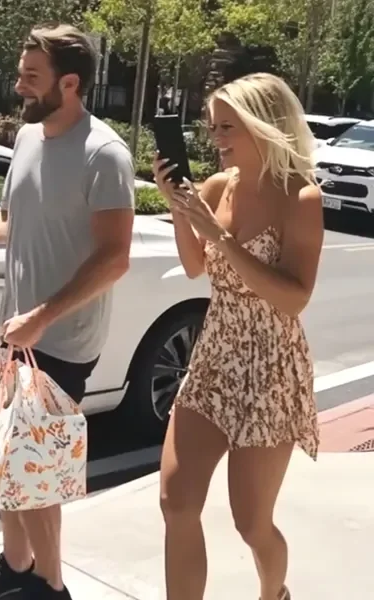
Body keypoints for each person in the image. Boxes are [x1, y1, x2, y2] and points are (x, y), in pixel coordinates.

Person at [0, 23, 135, 600]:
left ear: (70, 83)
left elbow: (114, 258)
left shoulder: (104, 154)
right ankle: (16, 567)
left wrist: (44, 318)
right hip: (16, 327)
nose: (19, 86)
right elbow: (13, 214)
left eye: (32, 76)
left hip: (63, 336)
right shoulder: (28, 137)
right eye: (21, 74)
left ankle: (50, 587)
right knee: (3, 456)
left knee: (35, 468)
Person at [152, 72, 322, 600]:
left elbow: (294, 298)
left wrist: (219, 237)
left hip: (271, 369)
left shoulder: (301, 198)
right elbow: (193, 267)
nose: (216, 138)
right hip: (214, 358)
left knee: (251, 522)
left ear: (263, 125)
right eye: (212, 127)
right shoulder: (215, 188)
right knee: (176, 501)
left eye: (227, 126)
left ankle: (274, 594)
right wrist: (179, 207)